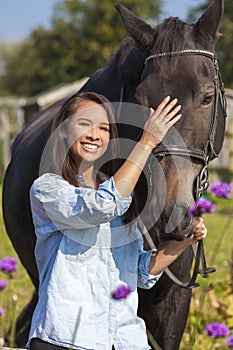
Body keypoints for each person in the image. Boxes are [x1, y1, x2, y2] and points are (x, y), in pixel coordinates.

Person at [27, 91, 207, 350]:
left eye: (103, 128)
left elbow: (140, 273)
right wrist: (146, 142)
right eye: (84, 124)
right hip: (67, 339)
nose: (94, 134)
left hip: (124, 340)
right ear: (64, 131)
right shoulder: (49, 190)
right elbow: (102, 206)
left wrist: (185, 241)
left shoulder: (123, 197)